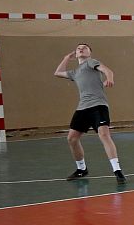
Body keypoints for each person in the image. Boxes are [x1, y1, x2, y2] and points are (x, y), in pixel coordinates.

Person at [53, 43, 127, 184]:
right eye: (78, 48)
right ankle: (81, 169)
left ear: (89, 53)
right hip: (82, 108)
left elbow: (108, 71)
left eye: (84, 48)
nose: (81, 49)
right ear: (76, 53)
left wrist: (110, 78)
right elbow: (57, 72)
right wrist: (66, 58)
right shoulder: (75, 72)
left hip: (98, 106)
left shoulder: (91, 63)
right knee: (72, 139)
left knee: (104, 135)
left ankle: (117, 171)